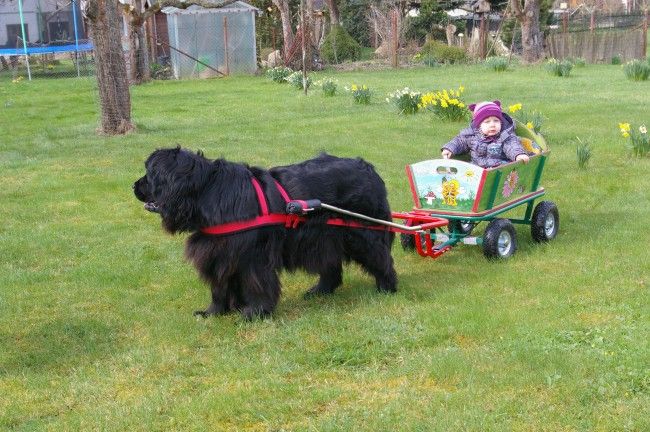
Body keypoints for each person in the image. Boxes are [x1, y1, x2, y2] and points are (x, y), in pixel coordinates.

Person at [441, 100, 530, 168]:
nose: (492, 125)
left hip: (498, 169)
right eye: (487, 122)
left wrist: (518, 155)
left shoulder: (505, 137)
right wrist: (449, 149)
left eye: (496, 121)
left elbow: (512, 146)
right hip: (477, 169)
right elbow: (459, 141)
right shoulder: (472, 136)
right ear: (479, 125)